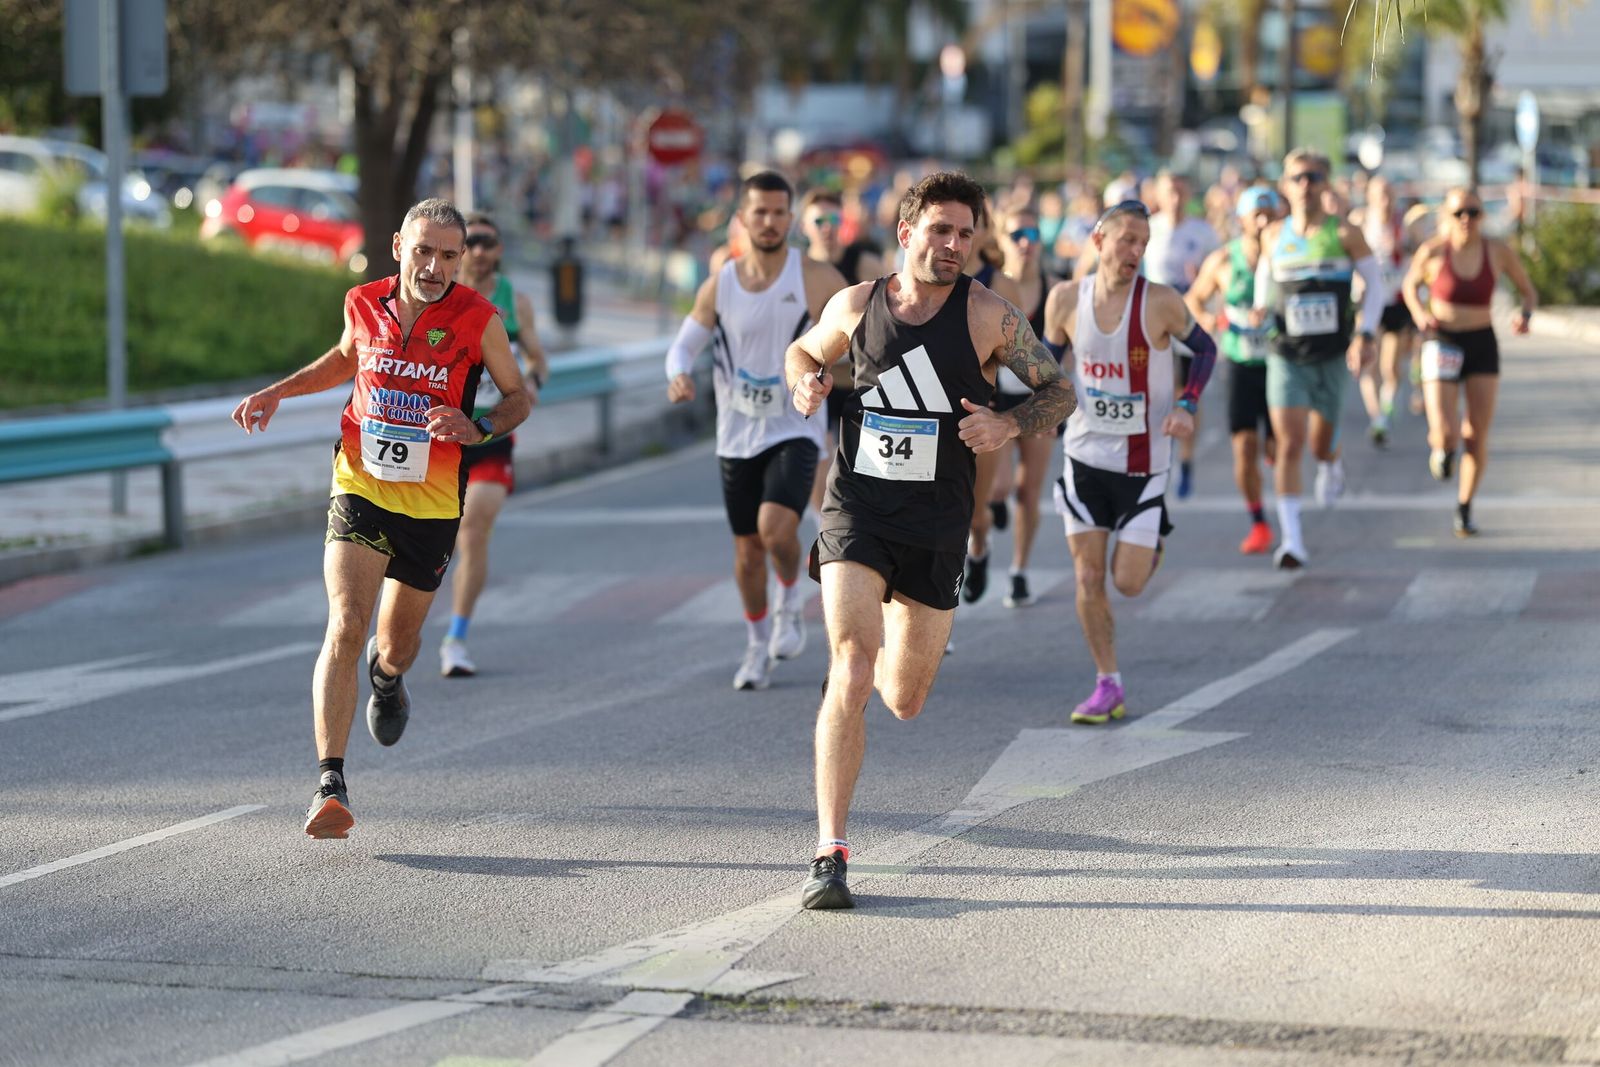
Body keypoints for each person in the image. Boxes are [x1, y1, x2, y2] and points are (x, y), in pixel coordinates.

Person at [786, 171, 1076, 909]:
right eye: (941, 231)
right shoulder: (857, 304)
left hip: (938, 523)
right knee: (850, 666)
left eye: (966, 234)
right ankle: (830, 852)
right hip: (857, 508)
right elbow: (803, 353)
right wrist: (806, 383)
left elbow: (1059, 390)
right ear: (907, 232)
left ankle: (866, 659)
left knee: (903, 699)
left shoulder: (987, 316)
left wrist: (1007, 424)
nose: (954, 246)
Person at [231, 199, 531, 839]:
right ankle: (329, 783)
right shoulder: (362, 301)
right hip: (360, 483)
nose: (435, 266)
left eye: (449, 255)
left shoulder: (480, 320)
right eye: (424, 250)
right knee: (345, 621)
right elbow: (346, 358)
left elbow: (517, 398)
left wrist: (473, 427)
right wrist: (278, 391)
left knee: (395, 644)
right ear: (398, 246)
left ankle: (388, 679)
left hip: (431, 500)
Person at [666, 171, 847, 690]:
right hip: (735, 433)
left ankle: (791, 597)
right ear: (742, 220)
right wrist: (677, 373)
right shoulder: (720, 282)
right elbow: (685, 344)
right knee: (747, 550)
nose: (769, 222)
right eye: (758, 213)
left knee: (775, 528)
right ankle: (755, 647)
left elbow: (857, 338)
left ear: (790, 219)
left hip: (796, 427)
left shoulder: (815, 277)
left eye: (777, 212)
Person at [1045, 200, 1218, 725]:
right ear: (1099, 241)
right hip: (1084, 458)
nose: (1136, 252)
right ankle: (1108, 683)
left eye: (1143, 243)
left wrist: (1187, 405)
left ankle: (1152, 539)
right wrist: (1035, 413)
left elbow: (1206, 350)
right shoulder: (1064, 299)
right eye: (1127, 241)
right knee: (1088, 577)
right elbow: (1048, 368)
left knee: (1129, 584)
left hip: (1144, 464)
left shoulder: (1161, 302)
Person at [1251, 149, 1385, 570]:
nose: (1305, 185)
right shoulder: (1273, 235)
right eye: (1297, 178)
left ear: (1327, 184)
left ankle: (1331, 461)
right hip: (1286, 355)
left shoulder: (1345, 234)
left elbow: (1376, 286)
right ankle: (1292, 540)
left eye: (1313, 176)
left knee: (1319, 443)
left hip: (1330, 355)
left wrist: (1364, 335)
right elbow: (1264, 280)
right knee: (1288, 443)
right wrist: (1258, 307)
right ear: (1285, 186)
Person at [439, 213, 548, 677]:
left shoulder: (514, 302)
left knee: (473, 527)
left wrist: (533, 382)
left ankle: (456, 637)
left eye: (489, 241)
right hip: (440, 435)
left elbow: (537, 357)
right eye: (473, 242)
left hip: (491, 432)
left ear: (499, 249)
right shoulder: (439, 293)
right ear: (461, 250)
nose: (481, 250)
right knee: (425, 536)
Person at [1400, 186, 1537, 537]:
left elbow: (1527, 290)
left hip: (1481, 342)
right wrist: (1419, 313)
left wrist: (1524, 314)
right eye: (1459, 213)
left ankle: (1464, 506)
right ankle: (1442, 451)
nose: (1466, 220)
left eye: (1473, 213)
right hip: (1442, 340)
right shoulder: (1432, 251)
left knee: (1475, 435)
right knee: (1445, 433)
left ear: (1482, 216)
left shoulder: (1497, 251)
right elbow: (1409, 287)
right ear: (1446, 216)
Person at [1186, 186, 1280, 556]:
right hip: (1241, 363)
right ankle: (1258, 523)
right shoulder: (1225, 260)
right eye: (1255, 213)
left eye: (1269, 213)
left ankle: (1278, 462)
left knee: (1278, 445)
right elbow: (1194, 297)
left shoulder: (1286, 257)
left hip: (1282, 363)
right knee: (1244, 449)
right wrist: (1206, 317)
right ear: (1240, 219)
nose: (1262, 221)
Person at [989, 202, 1065, 606]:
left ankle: (1018, 570)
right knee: (998, 486)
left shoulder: (1056, 289)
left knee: (1028, 491)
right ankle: (991, 510)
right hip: (996, 398)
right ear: (1002, 240)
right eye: (1016, 235)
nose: (1025, 243)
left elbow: (1066, 351)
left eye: (1032, 235)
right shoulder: (990, 289)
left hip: (1038, 399)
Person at [801, 188, 887, 514]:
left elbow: (892, 315)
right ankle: (823, 536)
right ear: (804, 226)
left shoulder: (864, 264)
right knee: (819, 467)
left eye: (833, 219)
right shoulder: (798, 270)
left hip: (861, 383)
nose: (826, 226)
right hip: (818, 385)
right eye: (818, 220)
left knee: (868, 471)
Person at [1143, 171, 1222, 500]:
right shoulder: (1149, 228)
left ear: (1188, 192)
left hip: (1190, 322)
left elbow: (1217, 276)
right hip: (1156, 323)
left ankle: (1186, 460)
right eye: (1169, 191)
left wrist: (1210, 311)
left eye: (1180, 190)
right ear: (1159, 194)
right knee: (1159, 392)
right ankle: (1158, 459)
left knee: (1188, 394)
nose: (1175, 197)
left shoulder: (1203, 232)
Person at [960, 197, 1024, 604]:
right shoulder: (924, 282)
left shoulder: (1001, 285)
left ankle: (979, 549)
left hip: (988, 409)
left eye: (970, 225)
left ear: (984, 231)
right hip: (935, 412)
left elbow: (1024, 355)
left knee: (975, 512)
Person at [1349, 176, 1418, 448]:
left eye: (1390, 194)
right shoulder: (1360, 221)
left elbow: (1420, 249)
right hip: (1367, 301)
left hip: (1396, 301)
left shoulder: (1404, 223)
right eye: (1380, 195)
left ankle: (1388, 402)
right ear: (1370, 197)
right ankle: (1377, 420)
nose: (1386, 201)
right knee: (1369, 364)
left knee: (1391, 367)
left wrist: (1402, 247)